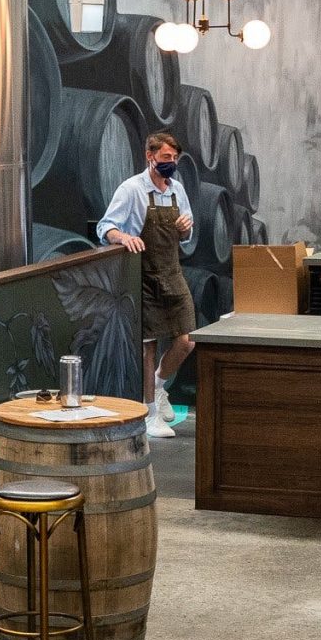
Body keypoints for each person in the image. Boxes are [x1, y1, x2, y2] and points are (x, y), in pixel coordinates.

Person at [96, 129, 197, 438]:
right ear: (149, 156)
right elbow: (105, 227)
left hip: (172, 272)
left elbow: (187, 233)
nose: (171, 162)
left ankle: (160, 385)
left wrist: (186, 228)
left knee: (187, 340)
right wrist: (123, 237)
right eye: (166, 157)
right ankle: (150, 413)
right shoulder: (131, 189)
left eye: (175, 158)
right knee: (148, 347)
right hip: (144, 276)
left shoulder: (177, 190)